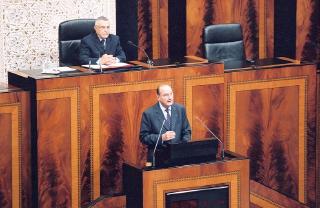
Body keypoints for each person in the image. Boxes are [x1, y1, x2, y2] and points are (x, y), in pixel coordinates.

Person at [140, 84, 191, 162]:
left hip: (178, 156)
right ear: (158, 97)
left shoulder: (180, 109)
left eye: (171, 94)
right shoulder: (149, 114)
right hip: (158, 158)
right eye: (166, 95)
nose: (170, 98)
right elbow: (143, 137)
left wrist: (181, 147)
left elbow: (187, 131)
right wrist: (162, 137)